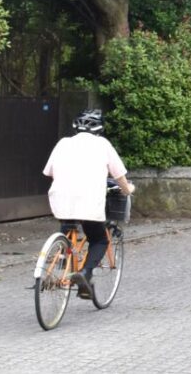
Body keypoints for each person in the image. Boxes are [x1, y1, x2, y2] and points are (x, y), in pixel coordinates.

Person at [42, 108, 135, 298]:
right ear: (100, 129)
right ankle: (85, 273)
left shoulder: (63, 143)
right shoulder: (103, 145)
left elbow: (49, 172)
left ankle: (60, 255)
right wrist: (128, 190)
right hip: (89, 202)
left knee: (68, 222)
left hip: (60, 201)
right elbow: (119, 176)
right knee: (100, 239)